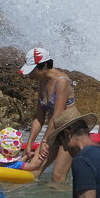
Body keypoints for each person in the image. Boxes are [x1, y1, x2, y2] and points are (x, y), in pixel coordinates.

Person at [20, 48, 77, 183]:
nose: (32, 73)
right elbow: (39, 116)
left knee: (57, 177)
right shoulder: (42, 81)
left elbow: (57, 114)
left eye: (34, 69)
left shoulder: (62, 81)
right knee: (33, 171)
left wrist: (45, 141)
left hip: (70, 130)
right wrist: (29, 143)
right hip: (54, 129)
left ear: (44, 65)